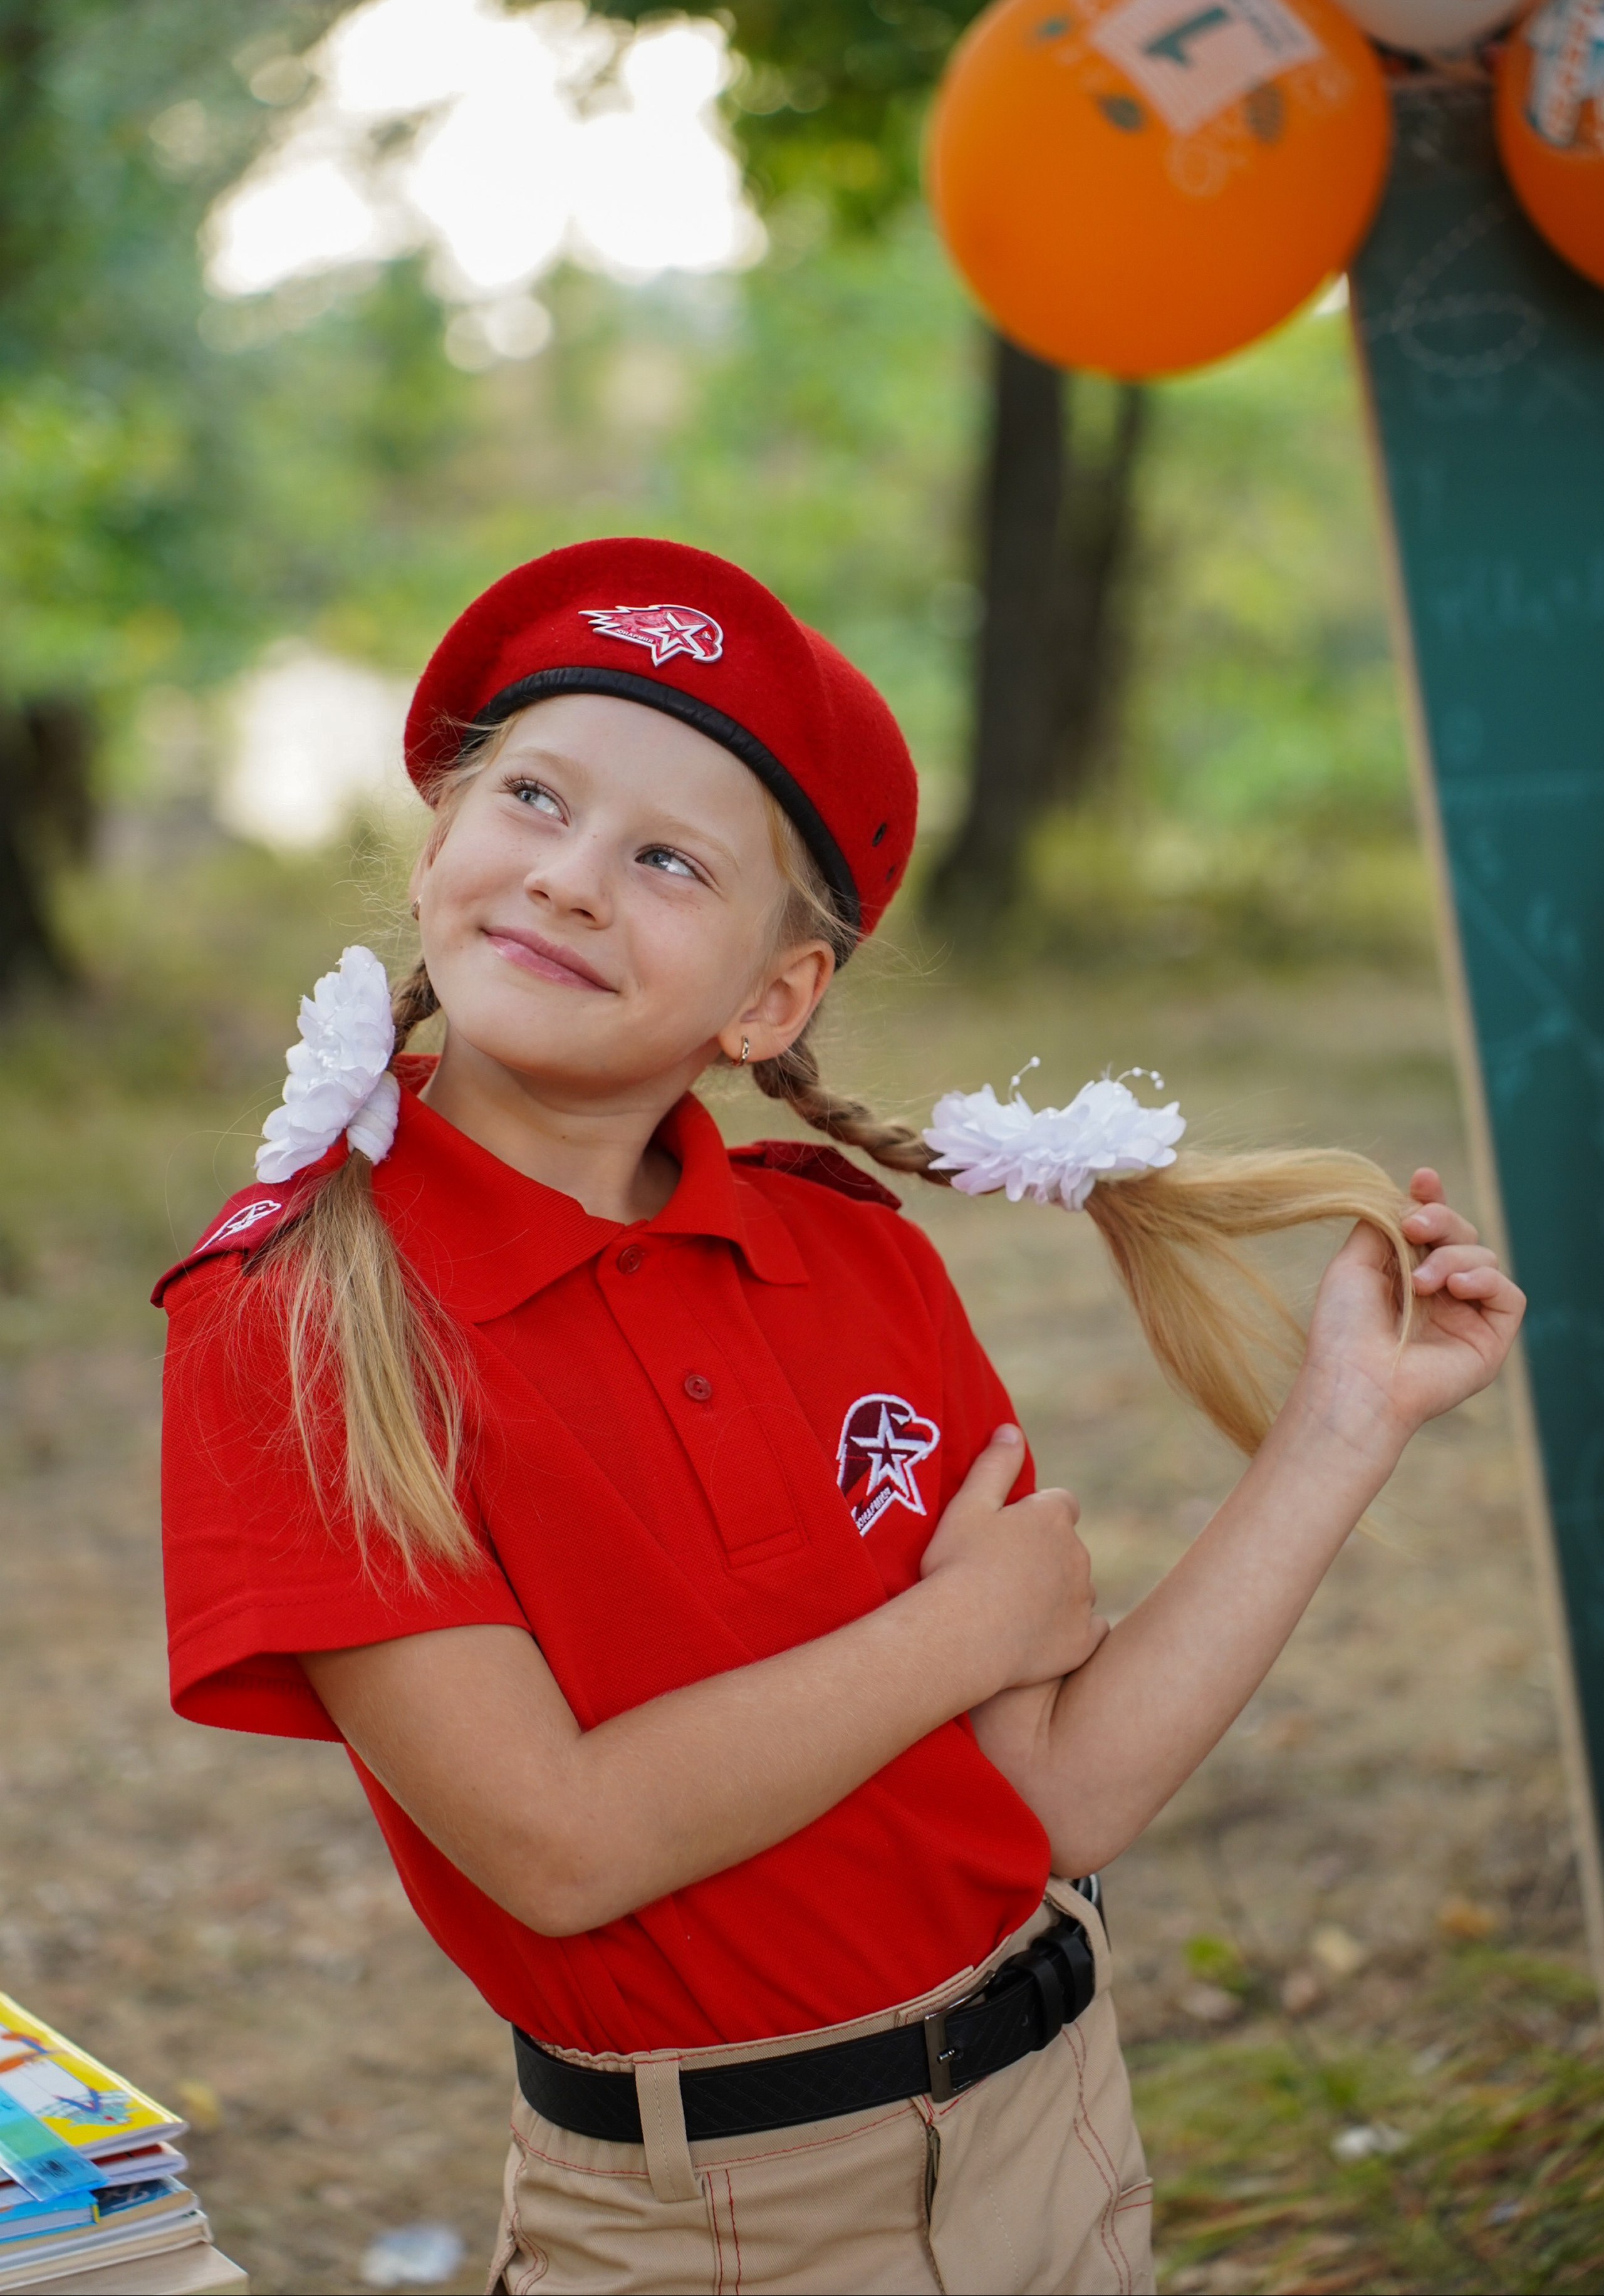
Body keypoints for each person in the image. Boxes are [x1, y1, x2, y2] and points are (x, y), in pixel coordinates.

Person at [154, 538, 1524, 2296]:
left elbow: (1065, 1790)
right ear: (440, 847)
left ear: (771, 998)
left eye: (666, 857)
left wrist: (1345, 1422)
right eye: (534, 799)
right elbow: (554, 1845)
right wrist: (964, 1628)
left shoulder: (847, 1256)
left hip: (1062, 2133)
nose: (570, 879)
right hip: (714, 2223)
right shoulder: (298, 1308)